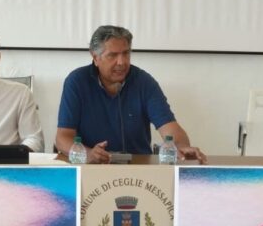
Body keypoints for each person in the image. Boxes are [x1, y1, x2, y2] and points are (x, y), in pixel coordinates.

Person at [56, 25, 206, 164]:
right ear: (95, 57)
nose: (121, 62)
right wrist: (88, 154)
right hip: (92, 167)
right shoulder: (77, 82)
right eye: (113, 55)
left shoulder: (144, 82)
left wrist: (181, 147)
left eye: (126, 54)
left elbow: (170, 128)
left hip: (138, 168)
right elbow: (63, 138)